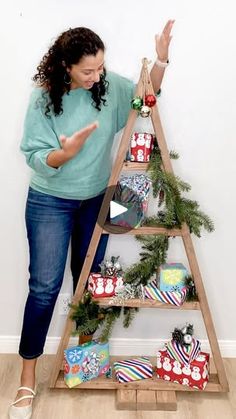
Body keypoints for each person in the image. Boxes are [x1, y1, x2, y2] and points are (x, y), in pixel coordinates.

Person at [9, 19, 174, 419]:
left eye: (100, 67)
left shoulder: (107, 86)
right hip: (50, 201)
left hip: (96, 200)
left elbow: (143, 95)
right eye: (87, 70)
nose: (96, 75)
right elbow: (33, 153)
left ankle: (83, 363)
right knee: (45, 288)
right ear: (65, 65)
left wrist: (162, 62)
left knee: (91, 281)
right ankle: (27, 379)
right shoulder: (44, 97)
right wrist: (64, 154)